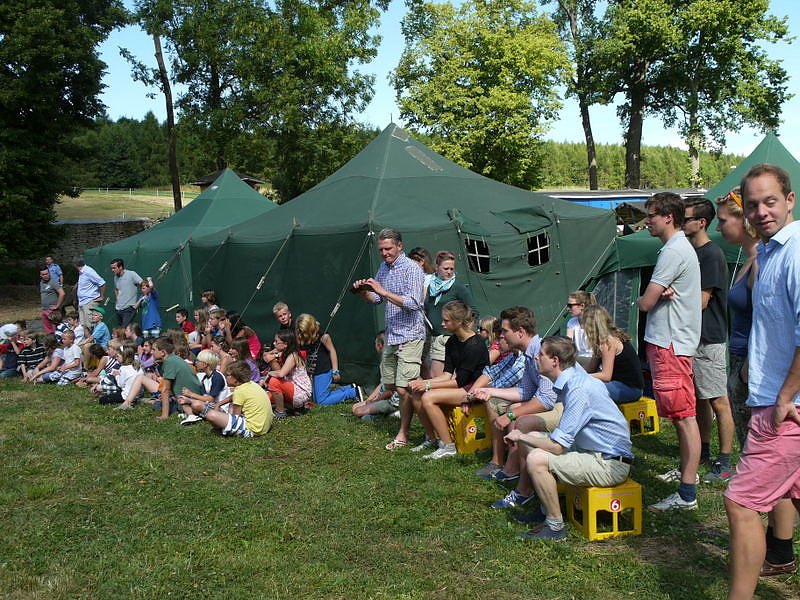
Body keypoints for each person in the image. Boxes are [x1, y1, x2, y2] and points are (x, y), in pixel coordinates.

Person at [724, 164, 800, 599]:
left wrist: (785, 392)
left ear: (789, 201)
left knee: (742, 503)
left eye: (770, 201)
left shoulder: (793, 251)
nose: (761, 211)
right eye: (752, 204)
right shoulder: (769, 252)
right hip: (772, 395)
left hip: (784, 404)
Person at [507, 336, 634, 541]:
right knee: (532, 439)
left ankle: (556, 527)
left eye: (540, 355)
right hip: (595, 452)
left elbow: (557, 447)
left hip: (609, 463)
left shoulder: (578, 389)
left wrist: (520, 436)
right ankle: (547, 509)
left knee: (536, 458)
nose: (536, 358)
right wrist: (526, 438)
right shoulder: (575, 378)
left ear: (555, 361)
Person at [638, 191, 702, 512]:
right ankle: (687, 479)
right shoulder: (676, 249)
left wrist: (645, 298)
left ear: (668, 217)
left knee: (684, 417)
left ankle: (687, 493)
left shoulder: (673, 252)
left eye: (651, 214)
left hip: (671, 345)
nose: (647, 220)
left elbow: (646, 302)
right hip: (671, 343)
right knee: (682, 417)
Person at [470, 306, 559, 508]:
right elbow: (526, 392)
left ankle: (522, 489)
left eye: (504, 331)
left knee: (522, 421)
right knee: (515, 412)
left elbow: (545, 400)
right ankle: (514, 474)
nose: (501, 335)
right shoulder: (530, 353)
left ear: (520, 332)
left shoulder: (541, 352)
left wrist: (510, 415)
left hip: (564, 408)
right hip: (557, 405)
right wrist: (491, 392)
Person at [353, 228, 426, 451]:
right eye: (381, 249)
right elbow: (375, 299)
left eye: (388, 248)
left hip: (411, 335)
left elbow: (414, 303)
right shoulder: (384, 268)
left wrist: (383, 292)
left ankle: (405, 433)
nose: (384, 253)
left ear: (399, 246)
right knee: (392, 385)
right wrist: (362, 292)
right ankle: (405, 414)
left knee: (405, 389)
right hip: (392, 336)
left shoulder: (412, 269)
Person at [683, 197, 735, 483]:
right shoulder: (695, 252)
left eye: (687, 217)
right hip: (695, 337)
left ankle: (725, 461)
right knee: (700, 399)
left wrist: (670, 295)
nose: (682, 222)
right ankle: (702, 450)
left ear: (701, 222)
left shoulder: (710, 254)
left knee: (718, 400)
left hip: (709, 338)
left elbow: (703, 301)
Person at [409, 300, 489, 459]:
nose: (442, 324)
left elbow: (460, 382)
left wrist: (427, 384)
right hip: (461, 385)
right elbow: (447, 374)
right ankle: (432, 438)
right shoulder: (452, 341)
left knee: (428, 397)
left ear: (459, 322)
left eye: (446, 320)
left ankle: (448, 446)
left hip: (475, 388)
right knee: (416, 394)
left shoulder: (475, 345)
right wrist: (423, 384)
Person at [473, 320, 526, 479]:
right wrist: (474, 391)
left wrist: (479, 392)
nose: (497, 342)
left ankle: (500, 459)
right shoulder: (513, 355)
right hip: (523, 395)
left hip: (532, 399)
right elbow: (491, 372)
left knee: (495, 401)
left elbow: (503, 381)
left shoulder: (524, 357)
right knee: (493, 399)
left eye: (501, 337)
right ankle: (499, 451)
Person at [180, 360, 273, 437]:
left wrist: (221, 419)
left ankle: (219, 430)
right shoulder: (251, 385)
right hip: (264, 426)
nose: (226, 377)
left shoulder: (239, 391)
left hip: (253, 429)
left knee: (211, 415)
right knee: (217, 412)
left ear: (235, 378)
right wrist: (219, 404)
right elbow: (233, 397)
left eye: (228, 375)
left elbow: (236, 416)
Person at [423, 250, 477, 379]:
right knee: (435, 375)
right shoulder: (430, 287)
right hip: (433, 337)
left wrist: (463, 331)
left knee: (438, 377)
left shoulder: (457, 288)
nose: (449, 272)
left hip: (447, 337)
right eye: (445, 268)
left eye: (451, 269)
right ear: (437, 267)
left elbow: (473, 311)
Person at [581, 305, 643, 404]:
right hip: (618, 385)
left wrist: (580, 378)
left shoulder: (608, 342)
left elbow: (606, 376)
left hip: (629, 389)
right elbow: (590, 369)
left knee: (586, 389)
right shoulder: (602, 341)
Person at [295, 313, 360, 406]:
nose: (301, 334)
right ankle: (348, 388)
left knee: (322, 401)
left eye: (303, 331)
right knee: (315, 399)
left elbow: (332, 351)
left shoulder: (323, 337)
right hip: (314, 371)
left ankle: (353, 393)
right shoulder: (305, 338)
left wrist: (335, 371)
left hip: (324, 370)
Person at [266, 329, 312, 418]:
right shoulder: (287, 353)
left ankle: (280, 412)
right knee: (267, 398)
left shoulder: (293, 356)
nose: (274, 344)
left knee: (274, 381)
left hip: (300, 391)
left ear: (286, 344)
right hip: (292, 388)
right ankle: (295, 408)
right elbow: (273, 355)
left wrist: (269, 373)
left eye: (276, 342)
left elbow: (281, 374)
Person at [180, 349, 230, 426]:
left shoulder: (217, 377)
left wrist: (190, 395)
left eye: (198, 361)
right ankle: (194, 414)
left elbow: (211, 398)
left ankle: (195, 414)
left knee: (196, 404)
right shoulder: (205, 378)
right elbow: (204, 396)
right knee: (183, 399)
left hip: (220, 408)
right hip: (210, 404)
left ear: (205, 364)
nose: (196, 363)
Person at [565, 290, 596, 367]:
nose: (568, 309)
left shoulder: (595, 322)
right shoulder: (571, 322)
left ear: (582, 306)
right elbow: (568, 342)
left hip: (595, 360)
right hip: (579, 360)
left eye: (570, 305)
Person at [73, 256, 106, 330]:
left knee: (90, 325)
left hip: (89, 302)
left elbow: (102, 283)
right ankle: (87, 341)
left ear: (75, 264)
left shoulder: (88, 271)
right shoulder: (81, 272)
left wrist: (102, 296)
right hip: (82, 302)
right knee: (83, 326)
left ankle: (93, 341)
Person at [110, 258, 142, 327]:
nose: (112, 270)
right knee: (121, 331)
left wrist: (139, 302)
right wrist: (117, 300)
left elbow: (143, 284)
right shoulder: (115, 277)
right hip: (118, 309)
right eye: (111, 268)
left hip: (129, 308)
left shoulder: (131, 274)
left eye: (114, 268)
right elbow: (116, 289)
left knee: (124, 330)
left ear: (120, 267)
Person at [39, 265, 65, 334]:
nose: (45, 276)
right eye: (43, 274)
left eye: (46, 274)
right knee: (48, 331)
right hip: (44, 309)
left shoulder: (53, 282)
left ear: (49, 273)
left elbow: (62, 293)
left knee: (56, 330)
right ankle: (51, 342)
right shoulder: (41, 282)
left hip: (52, 310)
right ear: (40, 275)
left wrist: (57, 305)